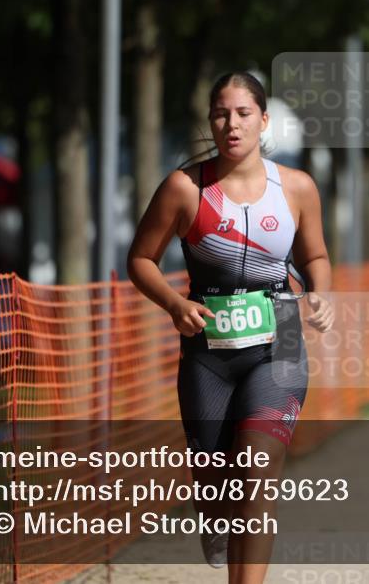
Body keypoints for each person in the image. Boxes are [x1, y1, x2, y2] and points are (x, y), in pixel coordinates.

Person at [127, 71, 333, 581]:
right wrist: (175, 305)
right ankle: (213, 520)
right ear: (210, 121)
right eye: (221, 114)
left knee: (258, 479)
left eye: (243, 114)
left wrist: (322, 293)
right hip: (208, 352)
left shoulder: (298, 188)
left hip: (280, 337)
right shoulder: (185, 188)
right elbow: (140, 260)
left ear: (263, 121)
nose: (231, 124)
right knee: (217, 487)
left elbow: (317, 256)